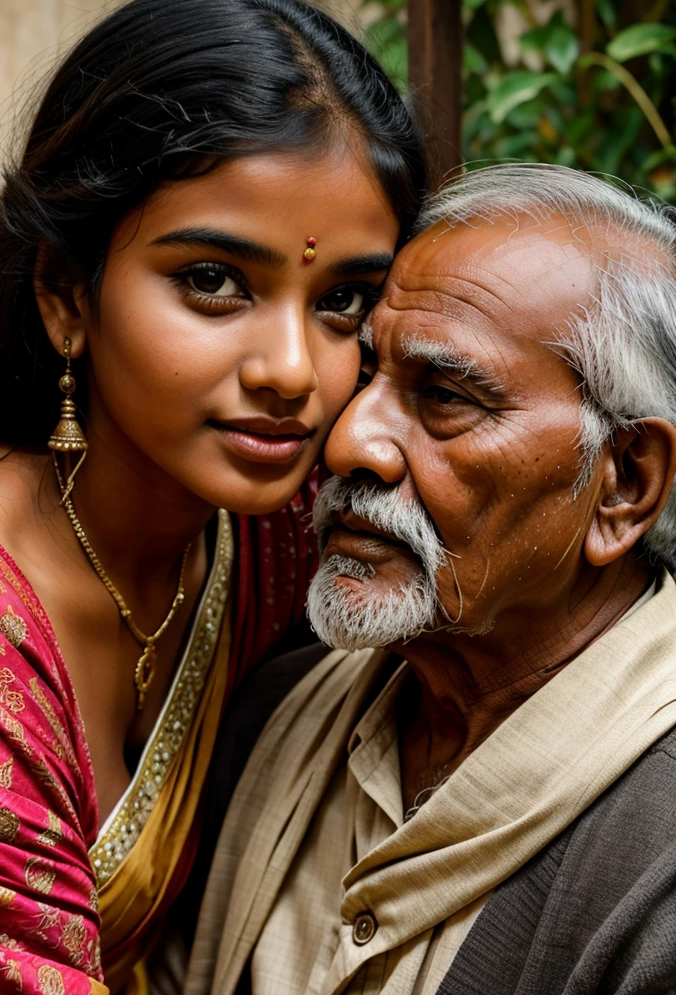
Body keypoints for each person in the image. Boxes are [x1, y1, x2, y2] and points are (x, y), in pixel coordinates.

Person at [0, 0, 427, 993]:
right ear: (66, 294)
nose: (291, 369)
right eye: (212, 281)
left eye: (343, 300)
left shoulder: (270, 534)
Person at [187, 163, 676, 995]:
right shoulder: (273, 715)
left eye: (446, 397)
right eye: (367, 373)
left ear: (625, 483)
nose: (347, 444)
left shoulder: (654, 861)